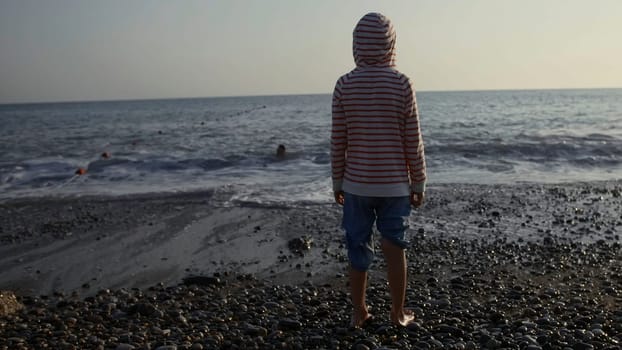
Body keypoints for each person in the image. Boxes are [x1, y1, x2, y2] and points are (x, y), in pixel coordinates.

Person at [331, 12, 426, 328]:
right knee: (394, 245)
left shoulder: (344, 85)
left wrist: (337, 180)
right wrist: (419, 182)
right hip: (394, 186)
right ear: (391, 45)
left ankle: (359, 313)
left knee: (357, 246)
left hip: (357, 185)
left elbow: (339, 139)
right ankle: (398, 314)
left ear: (356, 45)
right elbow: (412, 138)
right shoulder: (401, 84)